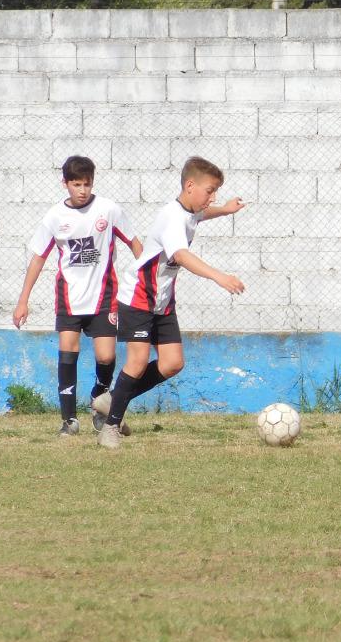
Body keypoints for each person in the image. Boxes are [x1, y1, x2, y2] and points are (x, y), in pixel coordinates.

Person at [94, 156, 246, 449]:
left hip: (161, 300)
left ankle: (111, 399)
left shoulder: (189, 211)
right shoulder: (172, 217)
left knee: (173, 363)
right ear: (190, 186)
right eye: (210, 191)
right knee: (137, 363)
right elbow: (181, 255)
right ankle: (110, 427)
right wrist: (219, 276)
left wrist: (225, 210)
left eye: (215, 192)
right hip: (138, 297)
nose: (213, 197)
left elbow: (201, 215)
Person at [12, 155, 141, 436]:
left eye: (87, 184)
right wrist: (23, 300)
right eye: (76, 184)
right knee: (68, 352)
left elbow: (134, 242)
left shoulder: (108, 210)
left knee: (106, 356)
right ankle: (69, 420)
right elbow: (38, 258)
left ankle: (99, 402)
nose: (82, 190)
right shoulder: (54, 217)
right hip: (69, 298)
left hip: (103, 297)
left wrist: (146, 276)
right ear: (65, 183)